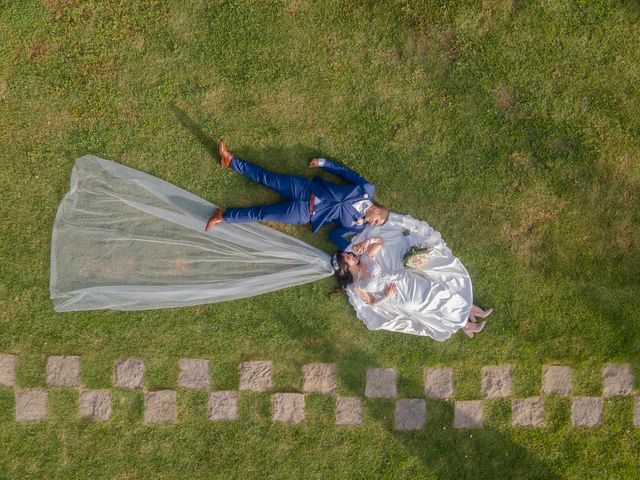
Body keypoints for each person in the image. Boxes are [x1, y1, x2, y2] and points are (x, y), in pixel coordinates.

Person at [331, 213, 492, 340]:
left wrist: (368, 241)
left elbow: (379, 242)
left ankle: (470, 313)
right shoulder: (357, 285)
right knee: (434, 304)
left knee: (440, 291)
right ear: (345, 268)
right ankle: (466, 324)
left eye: (347, 253)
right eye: (346, 257)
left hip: (404, 279)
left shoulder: (366, 258)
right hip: (400, 296)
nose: (350, 254)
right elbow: (372, 302)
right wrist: (386, 296)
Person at [205, 140, 389, 250]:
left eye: (374, 225)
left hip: (303, 213)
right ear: (378, 211)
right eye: (376, 221)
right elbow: (345, 172)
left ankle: (224, 216)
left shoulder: (356, 226)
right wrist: (323, 162)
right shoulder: (366, 189)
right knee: (266, 177)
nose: (371, 224)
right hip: (305, 188)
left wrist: (351, 247)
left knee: (263, 213)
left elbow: (334, 237)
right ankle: (230, 161)